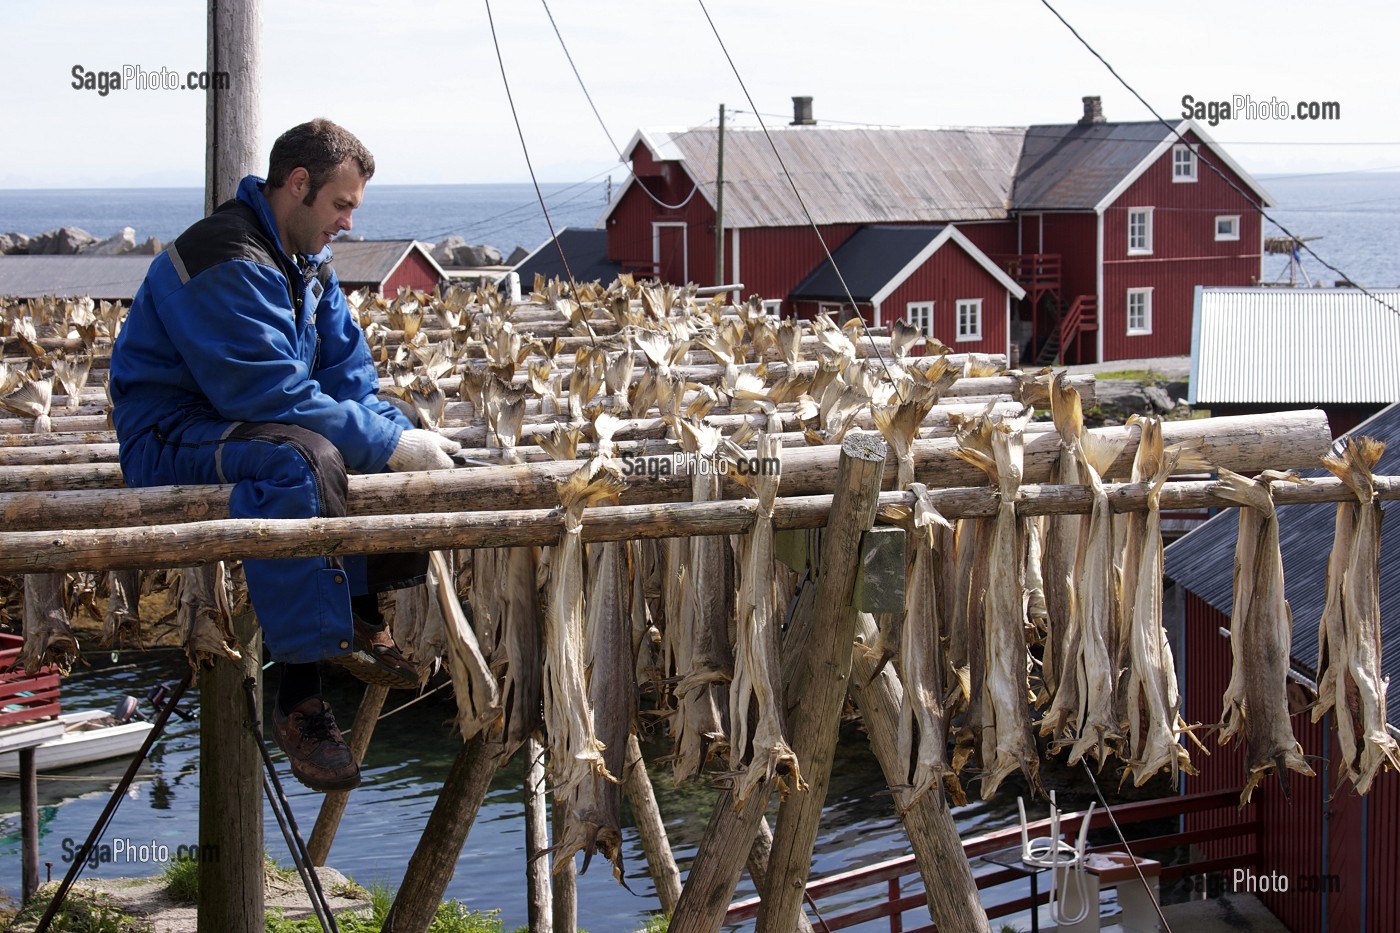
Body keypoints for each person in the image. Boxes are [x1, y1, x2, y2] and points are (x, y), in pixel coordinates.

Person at [109, 119, 461, 792]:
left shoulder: (308, 265)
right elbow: (269, 393)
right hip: (172, 433)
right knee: (301, 460)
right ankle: (299, 697)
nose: (348, 223)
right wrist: (386, 443)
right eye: (341, 205)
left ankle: (360, 610)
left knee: (391, 425)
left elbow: (347, 379)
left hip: (245, 423)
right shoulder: (223, 257)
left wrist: (401, 435)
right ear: (299, 185)